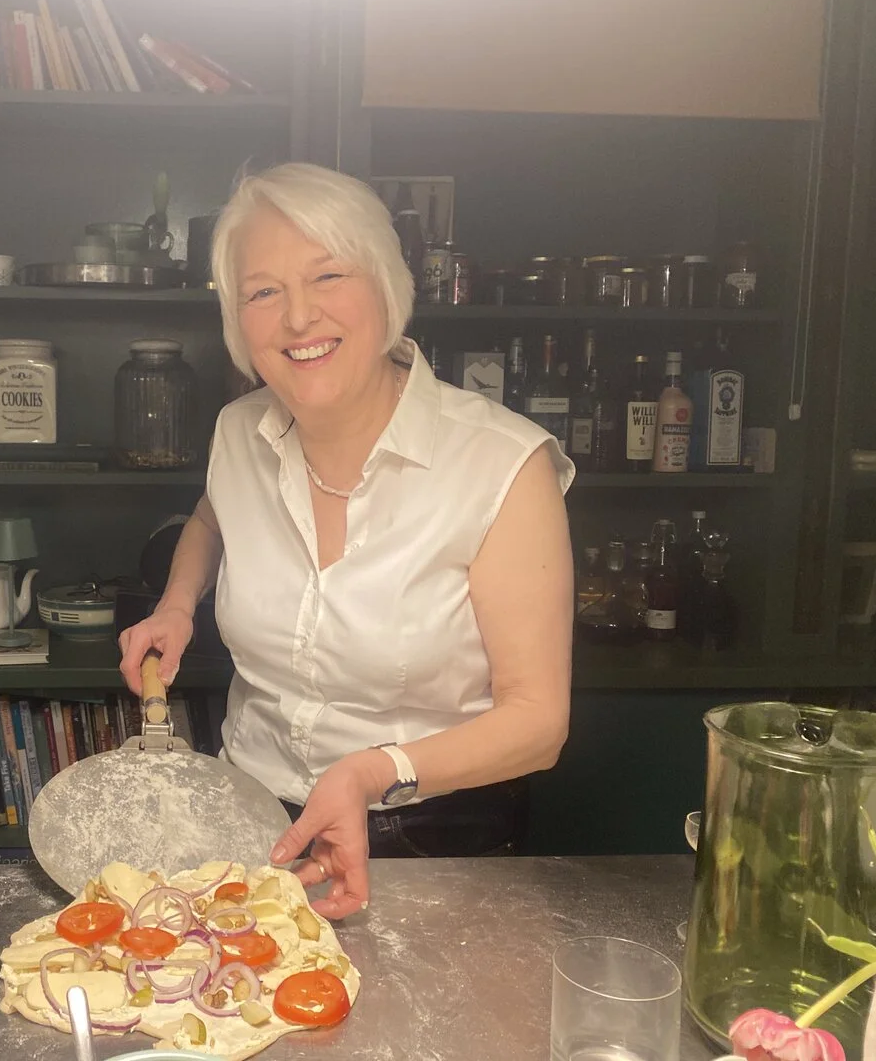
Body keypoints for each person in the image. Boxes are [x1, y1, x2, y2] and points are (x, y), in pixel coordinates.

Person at [119, 162, 574, 919]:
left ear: (388, 288)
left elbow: (538, 724)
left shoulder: (503, 464)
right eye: (263, 292)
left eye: (328, 276)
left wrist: (371, 772)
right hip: (251, 824)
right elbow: (211, 518)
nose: (298, 317)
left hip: (434, 846)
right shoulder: (239, 431)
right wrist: (176, 605)